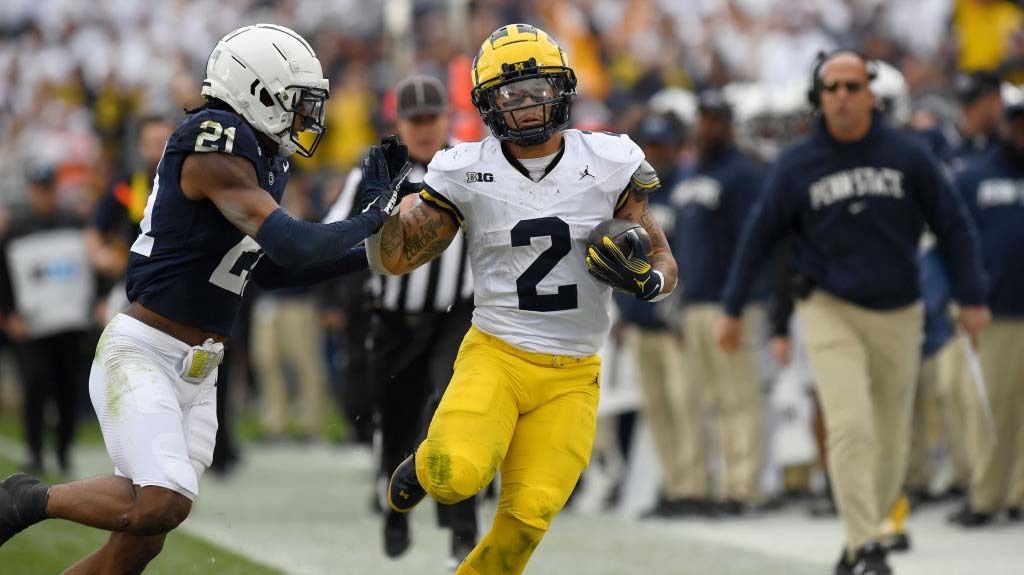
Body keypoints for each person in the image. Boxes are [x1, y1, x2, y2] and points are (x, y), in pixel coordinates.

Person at [0, 24, 409, 573]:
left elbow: (271, 270)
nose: (307, 117)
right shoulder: (213, 138)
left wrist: (374, 254)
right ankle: (27, 498)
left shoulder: (263, 156)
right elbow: (293, 242)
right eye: (296, 102)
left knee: (143, 537)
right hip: (143, 352)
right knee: (160, 501)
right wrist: (372, 220)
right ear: (258, 92)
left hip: (198, 369)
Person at [372, 24, 678, 575]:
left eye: (537, 88)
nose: (528, 105)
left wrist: (649, 281)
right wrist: (382, 220)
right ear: (488, 105)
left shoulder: (609, 160)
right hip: (498, 353)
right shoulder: (465, 169)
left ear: (561, 87)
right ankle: (420, 465)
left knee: (527, 520)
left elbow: (661, 255)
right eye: (511, 96)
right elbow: (398, 260)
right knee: (452, 476)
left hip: (574, 372)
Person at [715, 50, 989, 575]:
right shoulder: (797, 164)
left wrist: (973, 297)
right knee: (850, 426)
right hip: (828, 306)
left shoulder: (908, 156)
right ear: (819, 98)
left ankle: (865, 532)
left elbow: (953, 224)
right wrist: (732, 307)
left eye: (851, 86)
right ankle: (866, 543)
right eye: (832, 88)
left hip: (899, 308)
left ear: (870, 93)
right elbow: (760, 236)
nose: (841, 97)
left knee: (891, 438)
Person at [322, 74, 479, 568]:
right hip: (391, 317)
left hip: (455, 315)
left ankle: (461, 531)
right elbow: (336, 235)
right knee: (397, 423)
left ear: (446, 119)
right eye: (415, 120)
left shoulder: (469, 167)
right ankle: (397, 507)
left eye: (432, 118)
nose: (425, 128)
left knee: (453, 415)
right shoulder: (376, 169)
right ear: (400, 123)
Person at [672, 91, 768, 516]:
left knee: (739, 396)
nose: (708, 127)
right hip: (695, 303)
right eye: (703, 118)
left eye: (716, 119)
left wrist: (739, 301)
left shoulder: (743, 175)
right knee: (710, 399)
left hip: (733, 304)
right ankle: (719, 484)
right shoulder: (691, 176)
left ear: (730, 125)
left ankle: (743, 488)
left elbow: (754, 243)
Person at [947, 99, 1024, 527]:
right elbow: (952, 241)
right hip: (992, 312)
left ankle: (1019, 496)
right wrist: (962, 297)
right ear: (1008, 126)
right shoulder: (974, 178)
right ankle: (985, 496)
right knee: (988, 410)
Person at [612, 110, 690, 518]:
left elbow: (690, 259)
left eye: (663, 146)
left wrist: (679, 314)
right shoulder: (633, 197)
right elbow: (623, 258)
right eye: (651, 147)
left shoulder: (685, 190)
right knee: (657, 411)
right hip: (641, 323)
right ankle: (672, 486)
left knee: (684, 407)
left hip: (673, 324)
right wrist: (624, 312)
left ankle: (691, 487)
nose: (657, 154)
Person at [0, 166, 94, 476]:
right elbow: (3, 276)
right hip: (31, 326)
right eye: (38, 189)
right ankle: (35, 451)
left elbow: (87, 266)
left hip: (69, 323)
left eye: (47, 188)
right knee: (35, 386)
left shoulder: (74, 222)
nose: (43, 195)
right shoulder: (15, 228)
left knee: (67, 388)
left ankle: (63, 450)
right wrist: (7, 315)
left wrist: (93, 302)